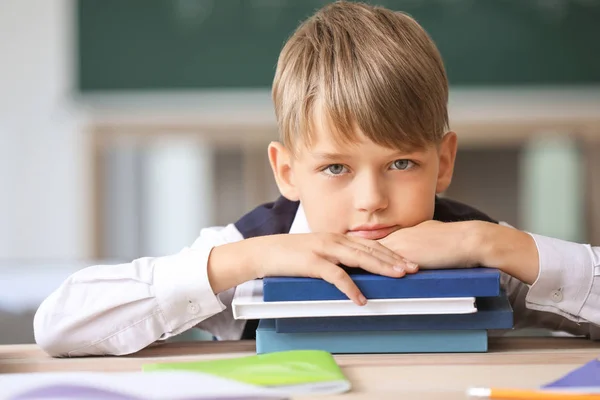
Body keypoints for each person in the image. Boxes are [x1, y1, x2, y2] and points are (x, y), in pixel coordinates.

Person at [34, 1, 599, 357]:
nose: (372, 201)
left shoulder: (479, 251)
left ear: (443, 161)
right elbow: (59, 325)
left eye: (401, 164)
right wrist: (244, 261)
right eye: (335, 168)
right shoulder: (254, 253)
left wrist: (492, 242)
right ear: (287, 171)